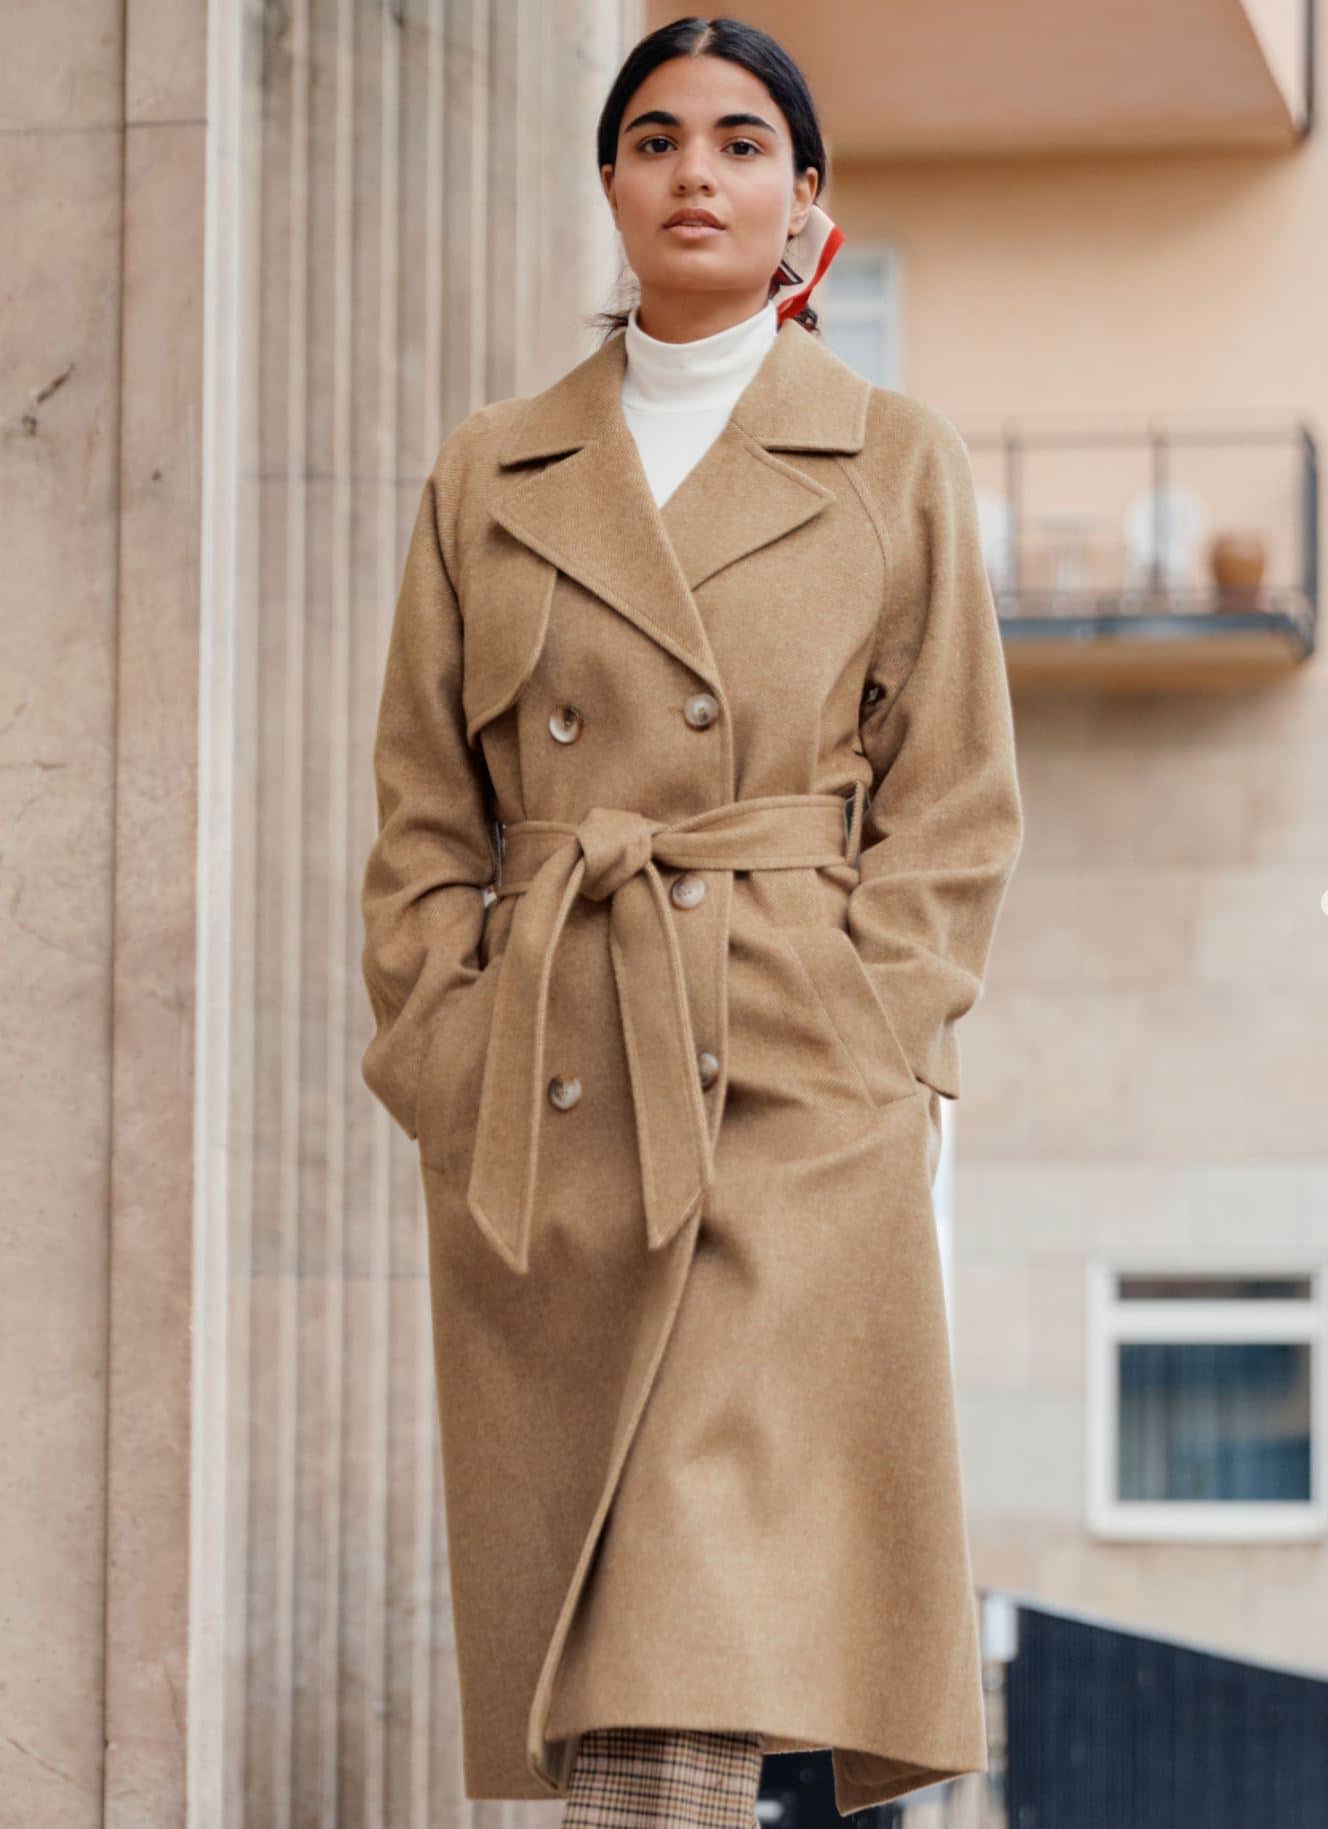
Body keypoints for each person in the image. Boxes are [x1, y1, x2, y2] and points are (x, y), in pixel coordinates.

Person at [359, 16, 1024, 1828]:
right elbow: (426, 805)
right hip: (552, 1092)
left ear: (807, 202)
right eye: (656, 139)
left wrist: (882, 1038)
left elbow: (956, 796)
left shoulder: (889, 457)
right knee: (609, 1646)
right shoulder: (491, 472)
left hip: (791, 1094)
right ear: (612, 186)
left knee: (684, 1624)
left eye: (742, 144)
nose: (696, 173)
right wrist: (443, 1036)